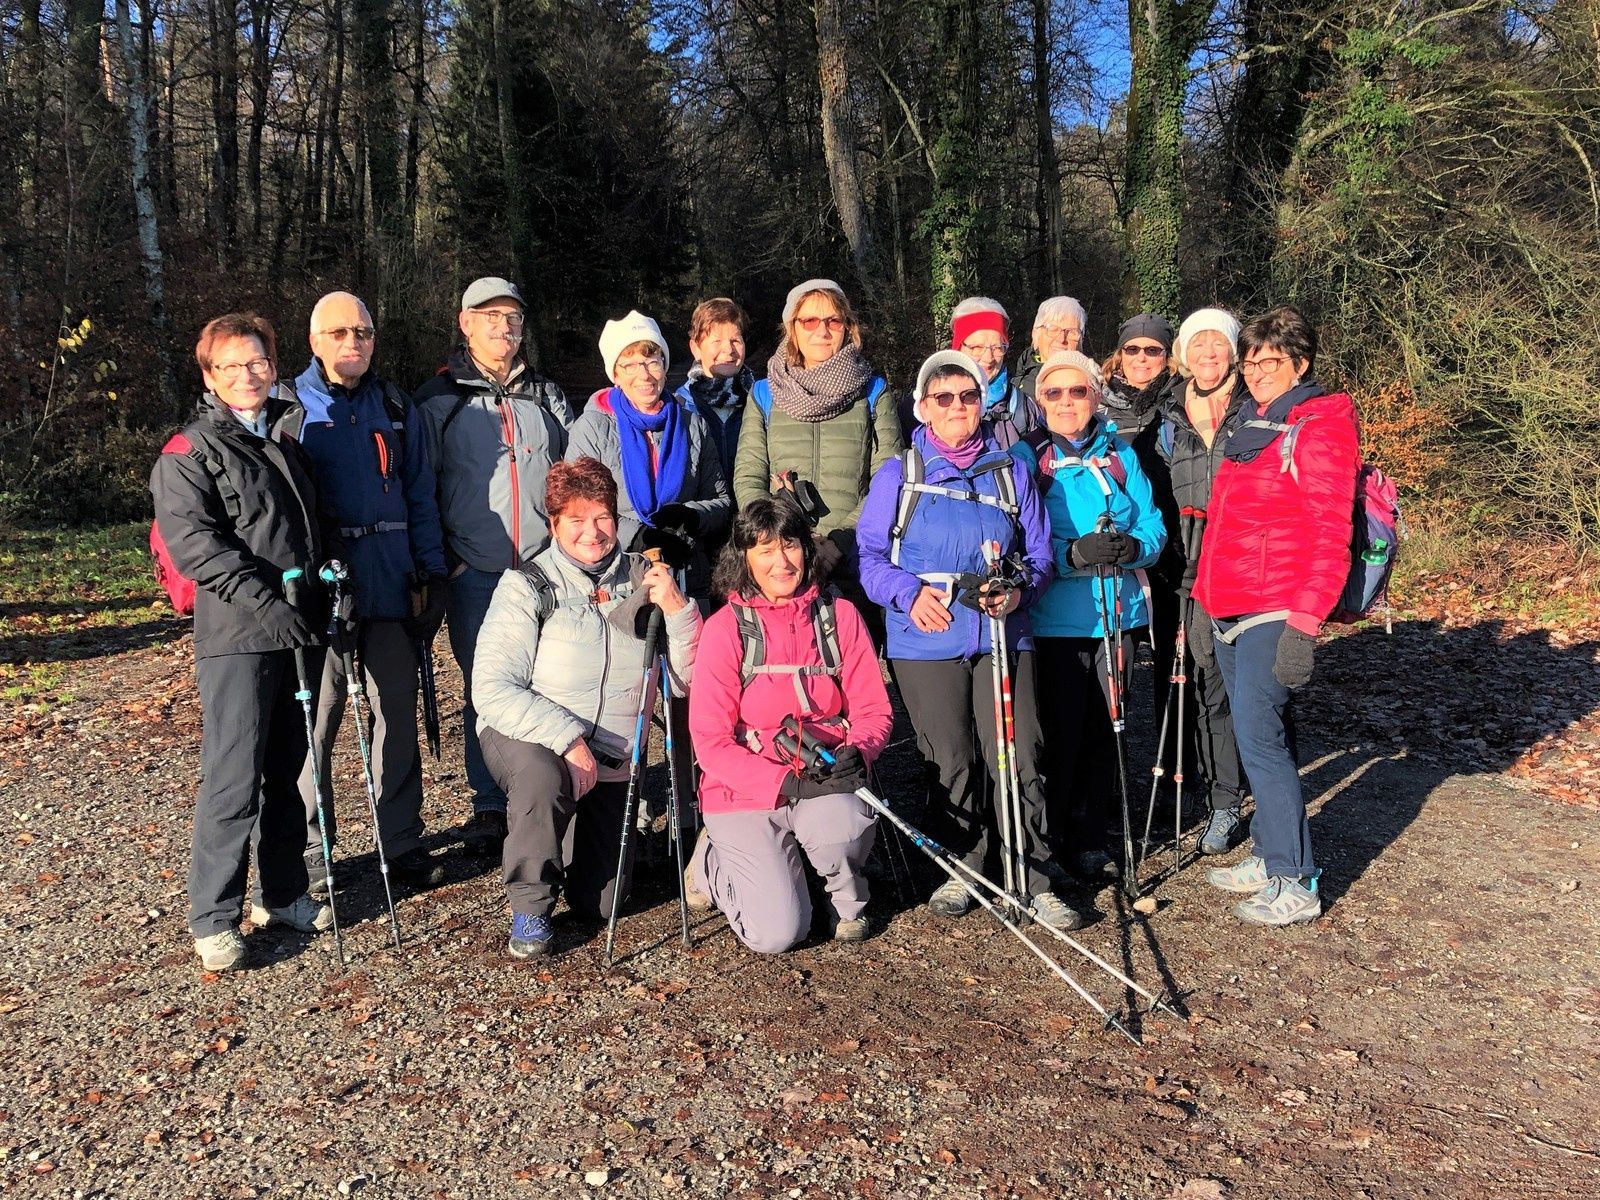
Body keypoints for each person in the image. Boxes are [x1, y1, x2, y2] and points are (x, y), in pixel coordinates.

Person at [858, 351, 1075, 928]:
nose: (958, 406)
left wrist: (1019, 592)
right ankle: (962, 867)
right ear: (923, 408)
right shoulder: (899, 475)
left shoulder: (1011, 472)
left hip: (1002, 632)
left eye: (969, 395)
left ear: (983, 403)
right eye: (944, 397)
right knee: (949, 757)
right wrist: (908, 594)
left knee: (1018, 750)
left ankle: (1033, 873)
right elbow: (870, 558)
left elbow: (1040, 557)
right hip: (925, 638)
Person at [150, 313, 336, 972]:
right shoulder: (189, 452)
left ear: (273, 366)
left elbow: (308, 530)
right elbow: (197, 546)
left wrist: (328, 583)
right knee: (234, 777)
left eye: (256, 362)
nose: (246, 375)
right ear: (209, 377)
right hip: (237, 635)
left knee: (286, 768)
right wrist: (265, 604)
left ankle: (282, 892)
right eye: (230, 366)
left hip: (298, 627)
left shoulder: (285, 440)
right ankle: (213, 916)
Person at [471, 458, 702, 958]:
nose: (592, 532)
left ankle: (569, 831)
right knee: (542, 778)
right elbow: (492, 688)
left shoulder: (647, 577)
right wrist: (568, 740)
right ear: (554, 523)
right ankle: (530, 905)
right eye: (576, 519)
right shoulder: (527, 585)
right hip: (529, 737)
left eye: (602, 517)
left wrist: (680, 612)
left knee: (603, 903)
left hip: (613, 753)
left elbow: (685, 683)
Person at [280, 291, 450, 893]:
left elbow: (420, 492)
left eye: (363, 331)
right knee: (317, 719)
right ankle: (308, 848)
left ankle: (400, 841)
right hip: (323, 591)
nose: (353, 342)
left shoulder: (396, 406)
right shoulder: (290, 409)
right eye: (339, 332)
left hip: (393, 580)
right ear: (314, 341)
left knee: (396, 712)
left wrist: (430, 571)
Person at [1195, 306, 1358, 926]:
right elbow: (1223, 527)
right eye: (1251, 362)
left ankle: (1296, 879)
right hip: (1230, 604)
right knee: (1264, 736)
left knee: (1261, 741)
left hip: (1276, 605)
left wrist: (1306, 622)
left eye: (1272, 361)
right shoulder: (1252, 423)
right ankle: (1269, 854)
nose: (1258, 372)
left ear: (1301, 364)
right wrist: (1205, 603)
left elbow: (1330, 532)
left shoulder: (1318, 427)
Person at [687, 498, 893, 952]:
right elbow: (710, 742)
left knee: (843, 825)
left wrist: (860, 750)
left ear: (807, 548)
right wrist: (783, 783)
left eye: (791, 545)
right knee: (778, 934)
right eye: (764, 550)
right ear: (744, 558)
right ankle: (712, 863)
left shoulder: (839, 616)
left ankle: (843, 899)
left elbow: (873, 710)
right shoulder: (725, 629)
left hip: (823, 769)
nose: (781, 562)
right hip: (743, 789)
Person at [414, 277, 574, 856]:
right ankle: (489, 803)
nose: (503, 327)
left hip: (543, 571)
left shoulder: (546, 395)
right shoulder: (439, 399)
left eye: (512, 317)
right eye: (490, 316)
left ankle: (552, 791)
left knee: (554, 680)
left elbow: (573, 476)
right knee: (486, 688)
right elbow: (421, 487)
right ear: (465, 323)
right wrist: (445, 564)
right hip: (475, 571)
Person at [1011, 351, 1166, 883]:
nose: (1066, 402)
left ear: (1096, 397)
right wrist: (1071, 555)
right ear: (1040, 401)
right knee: (1060, 731)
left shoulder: (1121, 454)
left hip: (1116, 617)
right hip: (1053, 621)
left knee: (1107, 729)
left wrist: (1134, 548)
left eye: (1077, 391)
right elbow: (1017, 539)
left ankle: (1092, 837)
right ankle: (1050, 838)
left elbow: (1152, 524)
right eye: (1053, 393)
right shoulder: (1027, 458)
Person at [731, 278, 902, 617]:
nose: (822, 331)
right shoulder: (765, 393)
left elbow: (888, 479)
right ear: (792, 328)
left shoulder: (873, 392)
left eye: (833, 321)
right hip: (780, 563)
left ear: (847, 327)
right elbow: (749, 475)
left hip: (853, 560)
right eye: (809, 321)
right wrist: (775, 542)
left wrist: (840, 541)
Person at [1154, 307, 1249, 855]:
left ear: (1234, 351)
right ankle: (1223, 801)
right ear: (1184, 353)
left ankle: (1258, 795)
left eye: (1218, 343)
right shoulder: (1170, 418)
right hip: (1191, 572)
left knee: (1254, 688)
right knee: (1208, 683)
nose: (1208, 353)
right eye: (1198, 344)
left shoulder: (1255, 407)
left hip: (1249, 569)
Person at [568, 309, 731, 600]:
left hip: (687, 573)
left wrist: (691, 517)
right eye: (630, 365)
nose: (644, 374)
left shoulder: (693, 425)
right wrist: (640, 536)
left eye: (652, 361)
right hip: (618, 580)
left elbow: (720, 501)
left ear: (664, 366)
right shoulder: (592, 428)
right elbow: (579, 509)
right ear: (615, 374)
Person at [1099, 313, 1182, 728]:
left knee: (1173, 657)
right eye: (1132, 348)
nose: (1142, 358)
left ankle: (1174, 750)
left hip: (1173, 546)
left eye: (1153, 350)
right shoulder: (1096, 405)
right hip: (1117, 550)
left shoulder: (1181, 402)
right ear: (1119, 353)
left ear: (1168, 356)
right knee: (1119, 660)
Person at [674, 297, 753, 490]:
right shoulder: (681, 406)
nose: (728, 349)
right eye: (716, 341)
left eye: (735, 340)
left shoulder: (761, 400)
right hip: (704, 507)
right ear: (696, 348)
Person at [947, 297, 1043, 449]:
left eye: (997, 347)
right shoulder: (931, 404)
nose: (989, 358)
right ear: (958, 348)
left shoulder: (1024, 407)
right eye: (977, 347)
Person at [1015, 296, 1087, 400]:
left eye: (1071, 332)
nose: (1061, 339)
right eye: (1053, 329)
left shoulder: (1091, 388)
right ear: (1035, 334)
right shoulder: (1014, 394)